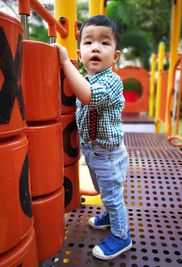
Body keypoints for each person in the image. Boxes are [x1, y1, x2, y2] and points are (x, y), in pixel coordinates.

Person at [54, 15, 132, 261]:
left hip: (109, 155)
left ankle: (122, 236)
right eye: (88, 43)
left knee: (111, 195)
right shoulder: (87, 79)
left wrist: (66, 62)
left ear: (115, 56)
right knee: (101, 189)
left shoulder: (112, 81)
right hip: (93, 151)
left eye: (104, 43)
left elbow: (89, 97)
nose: (96, 47)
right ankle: (110, 216)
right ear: (82, 51)